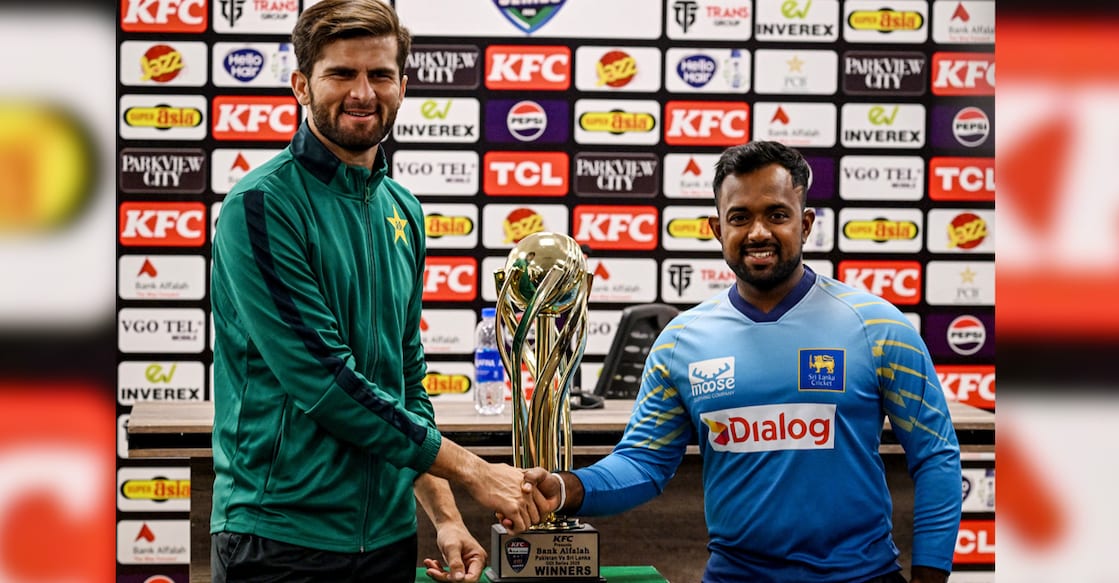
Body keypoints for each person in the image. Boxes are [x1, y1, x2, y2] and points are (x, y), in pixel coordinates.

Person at [525, 141, 962, 582]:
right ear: (718, 229)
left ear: (806, 224)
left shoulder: (878, 325)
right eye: (740, 218)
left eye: (777, 215)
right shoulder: (681, 341)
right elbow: (642, 463)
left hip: (861, 576)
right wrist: (564, 488)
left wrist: (930, 577)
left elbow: (936, 457)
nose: (758, 233)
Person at [209, 2, 540, 582]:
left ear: (402, 87)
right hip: (279, 538)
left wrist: (446, 517)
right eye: (341, 73)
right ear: (301, 86)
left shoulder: (403, 210)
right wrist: (474, 471)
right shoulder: (261, 206)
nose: (363, 93)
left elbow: (405, 380)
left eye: (380, 75)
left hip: (389, 538)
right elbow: (324, 383)